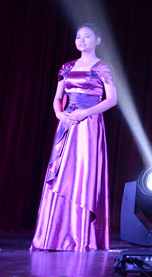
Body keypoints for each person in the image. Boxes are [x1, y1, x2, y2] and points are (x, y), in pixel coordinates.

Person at [30, 23, 117, 251]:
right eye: (78, 37)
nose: (81, 40)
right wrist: (60, 114)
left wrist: (85, 113)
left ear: (98, 41)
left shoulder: (103, 67)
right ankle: (55, 235)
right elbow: (58, 97)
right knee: (62, 174)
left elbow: (112, 100)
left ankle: (81, 236)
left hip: (89, 124)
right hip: (67, 123)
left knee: (82, 174)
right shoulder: (67, 67)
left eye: (87, 36)